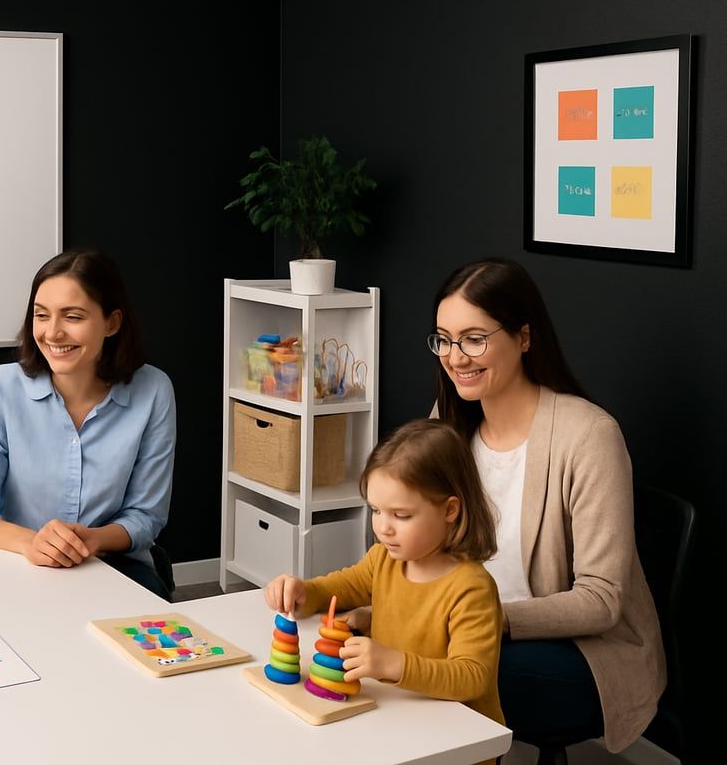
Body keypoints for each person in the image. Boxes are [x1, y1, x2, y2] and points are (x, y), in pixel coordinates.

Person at [429, 258, 664, 753]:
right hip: (464, 628)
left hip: (584, 651)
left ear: (524, 337)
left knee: (442, 678)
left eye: (475, 338)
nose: (456, 357)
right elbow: (410, 536)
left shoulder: (589, 435)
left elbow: (601, 600)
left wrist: (488, 616)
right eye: (444, 339)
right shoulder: (447, 424)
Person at [0, 250, 177, 599]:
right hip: (14, 562)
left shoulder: (153, 390)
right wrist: (33, 544)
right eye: (42, 316)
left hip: (113, 566)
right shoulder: (1, 386)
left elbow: (146, 515)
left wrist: (93, 539)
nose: (53, 333)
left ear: (112, 323)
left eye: (72, 316)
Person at [265, 419, 504, 732]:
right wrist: (302, 592)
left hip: (460, 736)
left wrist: (394, 663)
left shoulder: (471, 589)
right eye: (376, 511)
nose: (383, 527)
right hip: (396, 717)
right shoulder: (384, 560)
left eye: (401, 515)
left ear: (449, 511)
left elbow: (473, 677)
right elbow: (340, 587)